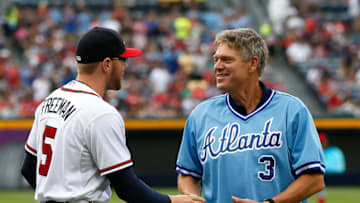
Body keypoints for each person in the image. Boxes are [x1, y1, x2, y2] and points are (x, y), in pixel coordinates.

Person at [21, 27, 205, 203]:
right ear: (107, 64)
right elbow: (127, 188)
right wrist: (171, 201)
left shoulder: (49, 101)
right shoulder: (101, 113)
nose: (125, 65)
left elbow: (29, 170)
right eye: (123, 60)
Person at [175, 28, 325, 203]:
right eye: (216, 60)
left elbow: (314, 180)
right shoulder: (200, 115)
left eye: (227, 60)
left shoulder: (291, 110)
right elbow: (187, 174)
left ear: (252, 63)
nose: (217, 66)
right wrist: (191, 197)